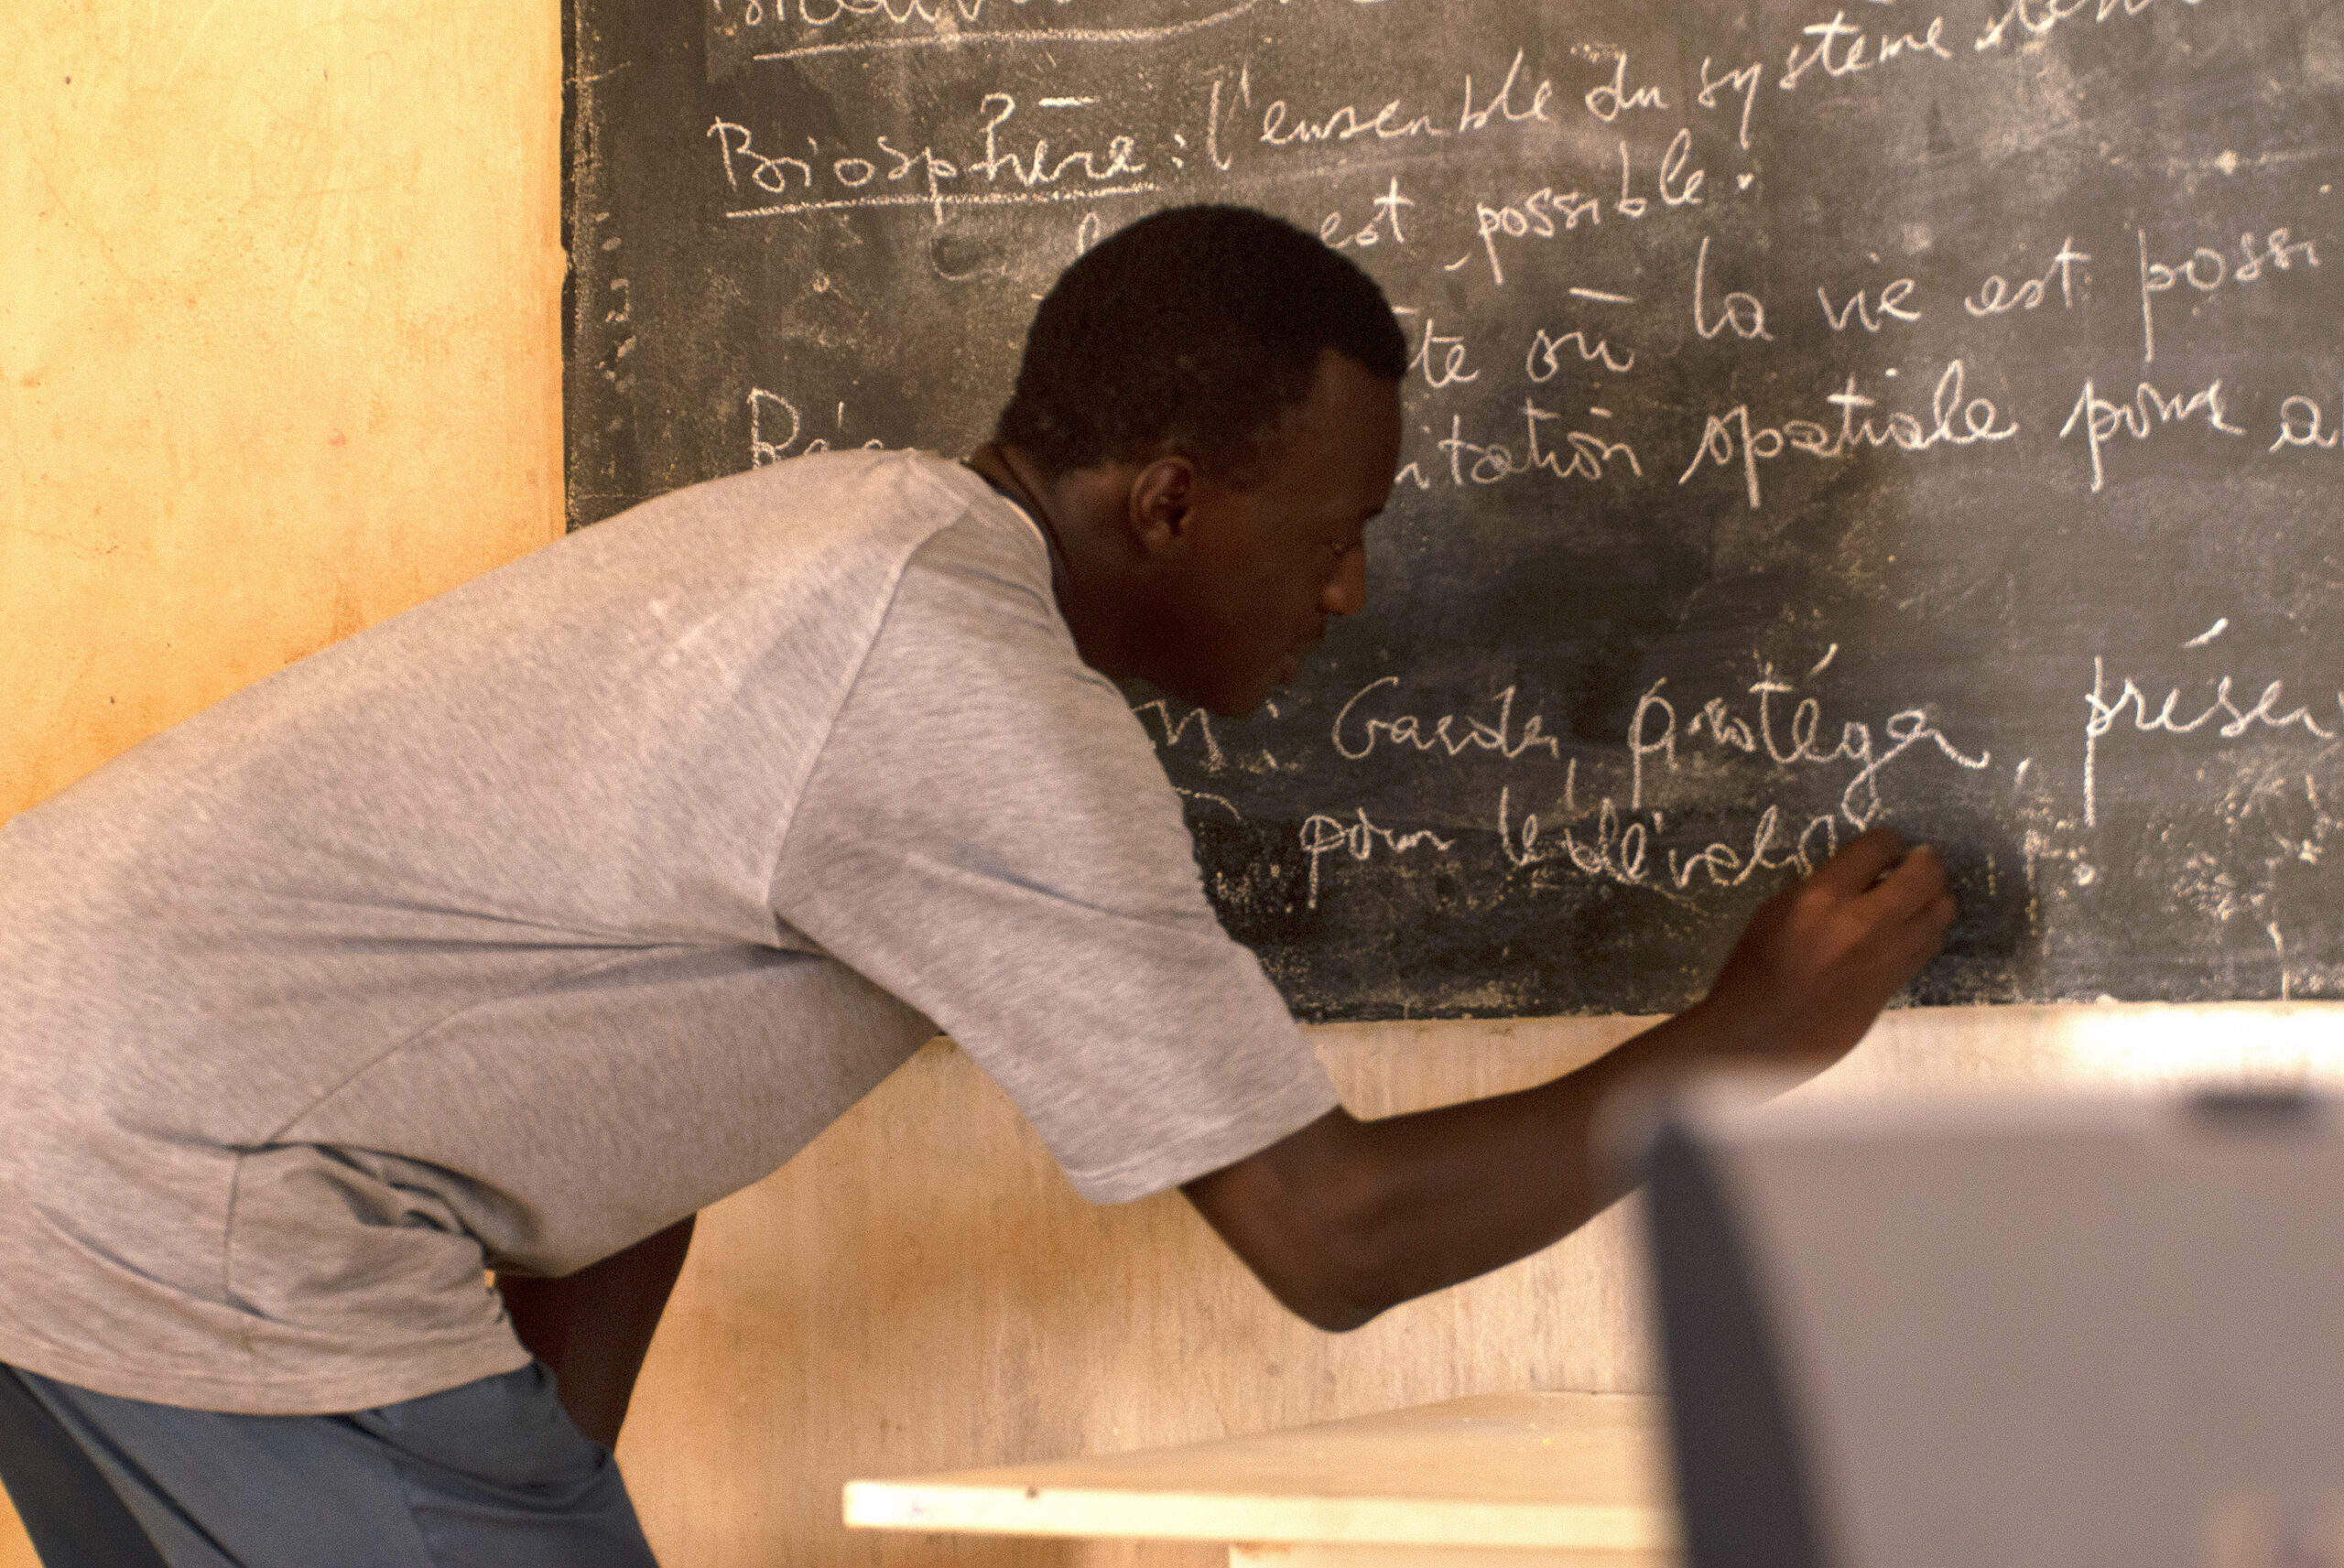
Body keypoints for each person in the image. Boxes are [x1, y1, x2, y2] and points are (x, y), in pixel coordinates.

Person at [0, 205, 1952, 1565]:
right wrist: (1739, 1040)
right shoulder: (962, 696)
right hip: (190, 1184)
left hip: (63, 1114)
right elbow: (1328, 1235)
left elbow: (628, 1082)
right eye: (1334, 530)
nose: (1348, 591)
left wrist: (541, 1477)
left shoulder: (852, 541)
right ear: (1167, 500)